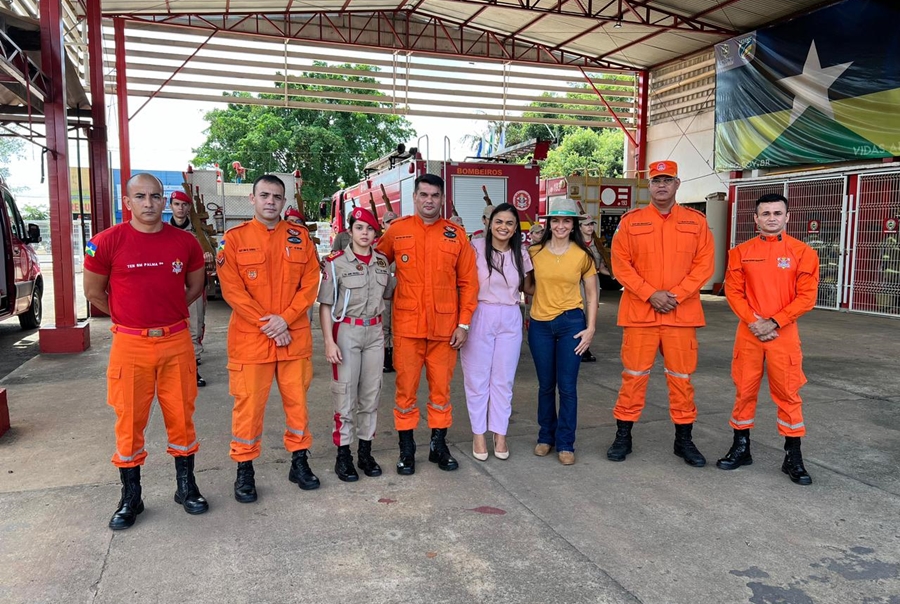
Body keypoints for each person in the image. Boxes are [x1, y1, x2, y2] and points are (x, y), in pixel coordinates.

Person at [84, 173, 209, 530]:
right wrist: (131, 317)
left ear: (164, 200)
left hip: (175, 342)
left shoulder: (184, 243)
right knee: (129, 420)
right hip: (131, 344)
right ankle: (131, 496)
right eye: (140, 196)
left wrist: (165, 312)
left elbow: (195, 285)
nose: (149, 203)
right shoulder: (105, 243)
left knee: (182, 416)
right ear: (128, 202)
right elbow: (94, 292)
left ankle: (186, 487)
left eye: (155, 196)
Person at [217, 174, 322, 503]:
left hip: (293, 338)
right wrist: (270, 323)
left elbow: (310, 284)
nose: (270, 201)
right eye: (264, 195)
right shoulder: (233, 240)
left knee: (298, 406)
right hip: (252, 340)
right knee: (248, 408)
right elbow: (232, 290)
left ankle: (299, 462)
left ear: (284, 201)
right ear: (252, 199)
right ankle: (245, 469)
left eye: (277, 196)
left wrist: (285, 320)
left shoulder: (300, 238)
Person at [605, 160, 714, 467]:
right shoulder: (631, 222)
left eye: (667, 180)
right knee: (633, 377)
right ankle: (623, 436)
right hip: (641, 313)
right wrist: (650, 294)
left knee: (681, 379)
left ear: (677, 184)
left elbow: (704, 265)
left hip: (682, 314)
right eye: (656, 181)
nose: (661, 185)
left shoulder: (696, 221)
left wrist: (676, 295)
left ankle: (684, 440)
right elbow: (620, 264)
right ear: (648, 186)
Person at [376, 174, 479, 475]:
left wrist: (464, 325)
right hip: (407, 328)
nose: (429, 200)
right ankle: (406, 450)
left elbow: (469, 284)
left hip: (445, 331)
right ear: (415, 196)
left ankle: (438, 446)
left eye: (435, 195)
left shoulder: (455, 235)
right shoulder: (398, 231)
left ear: (442, 198)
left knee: (441, 391)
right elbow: (375, 263)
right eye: (424, 195)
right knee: (405, 391)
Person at [717, 193, 819, 485]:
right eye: (765, 213)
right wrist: (754, 322)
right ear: (755, 219)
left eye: (777, 213)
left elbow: (806, 297)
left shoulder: (803, 253)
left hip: (783, 335)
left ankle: (793, 456)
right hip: (749, 334)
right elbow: (734, 292)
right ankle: (741, 447)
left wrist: (775, 322)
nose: (771, 218)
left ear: (787, 217)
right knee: (744, 390)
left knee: (788, 393)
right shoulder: (740, 253)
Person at [318, 207, 394, 482]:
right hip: (346, 331)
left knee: (371, 395)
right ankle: (343, 455)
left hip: (374, 333)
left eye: (370, 229)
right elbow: (325, 305)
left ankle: (365, 451)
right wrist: (329, 342)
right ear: (350, 230)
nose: (365, 233)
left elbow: (389, 295)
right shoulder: (336, 263)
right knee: (345, 394)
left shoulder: (383, 262)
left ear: (376, 233)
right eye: (359, 227)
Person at [460, 203, 534, 461]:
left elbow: (530, 287)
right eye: (499, 221)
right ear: (489, 223)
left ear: (516, 229)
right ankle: (479, 433)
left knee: (503, 379)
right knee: (477, 378)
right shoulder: (475, 248)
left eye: (509, 223)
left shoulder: (522, 253)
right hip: (480, 312)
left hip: (511, 316)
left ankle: (499, 433)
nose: (503, 227)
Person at [527, 198, 597, 465]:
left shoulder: (582, 255)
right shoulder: (534, 252)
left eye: (566, 220)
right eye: (555, 220)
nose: (560, 225)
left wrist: (590, 329)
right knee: (546, 386)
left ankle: (566, 443)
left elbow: (591, 295)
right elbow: (527, 286)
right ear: (548, 223)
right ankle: (546, 437)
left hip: (571, 324)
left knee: (567, 387)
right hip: (540, 325)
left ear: (574, 225)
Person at [169, 190, 214, 387]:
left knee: (194, 326)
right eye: (177, 204)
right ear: (170, 206)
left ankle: (192, 369)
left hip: (193, 286)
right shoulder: (161, 231)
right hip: (169, 286)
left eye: (184, 205)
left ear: (189, 208)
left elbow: (211, 255)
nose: (180, 208)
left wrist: (208, 257)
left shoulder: (199, 233)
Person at [579, 215, 611, 363]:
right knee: (578, 314)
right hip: (577, 282)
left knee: (591, 314)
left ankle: (585, 347)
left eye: (592, 224)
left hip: (593, 281)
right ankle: (579, 347)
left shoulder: (597, 245)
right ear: (579, 227)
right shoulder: (575, 244)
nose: (590, 227)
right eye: (586, 225)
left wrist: (613, 273)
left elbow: (601, 267)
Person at [380, 210, 399, 373]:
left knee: (397, 327)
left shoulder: (402, 243)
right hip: (384, 294)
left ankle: (396, 358)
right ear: (383, 224)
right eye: (388, 222)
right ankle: (386, 359)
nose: (391, 225)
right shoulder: (378, 245)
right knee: (384, 326)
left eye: (394, 222)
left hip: (400, 294)